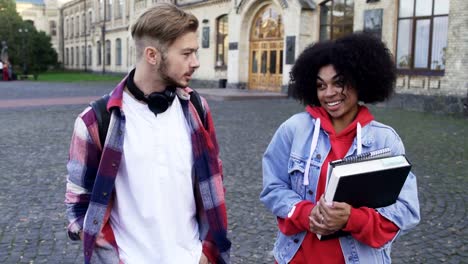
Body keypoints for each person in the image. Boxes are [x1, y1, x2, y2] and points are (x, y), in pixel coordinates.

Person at [65, 3, 230, 264]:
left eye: (195, 52)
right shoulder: (95, 121)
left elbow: (213, 183)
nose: (195, 63)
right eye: (186, 53)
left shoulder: (197, 109)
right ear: (152, 55)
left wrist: (206, 252)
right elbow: (78, 205)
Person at [260, 32, 420, 264]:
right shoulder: (293, 129)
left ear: (359, 80)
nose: (329, 93)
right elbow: (273, 188)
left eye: (339, 82)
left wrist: (351, 219)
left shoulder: (385, 139)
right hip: (295, 258)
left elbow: (406, 210)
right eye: (320, 85)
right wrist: (306, 213)